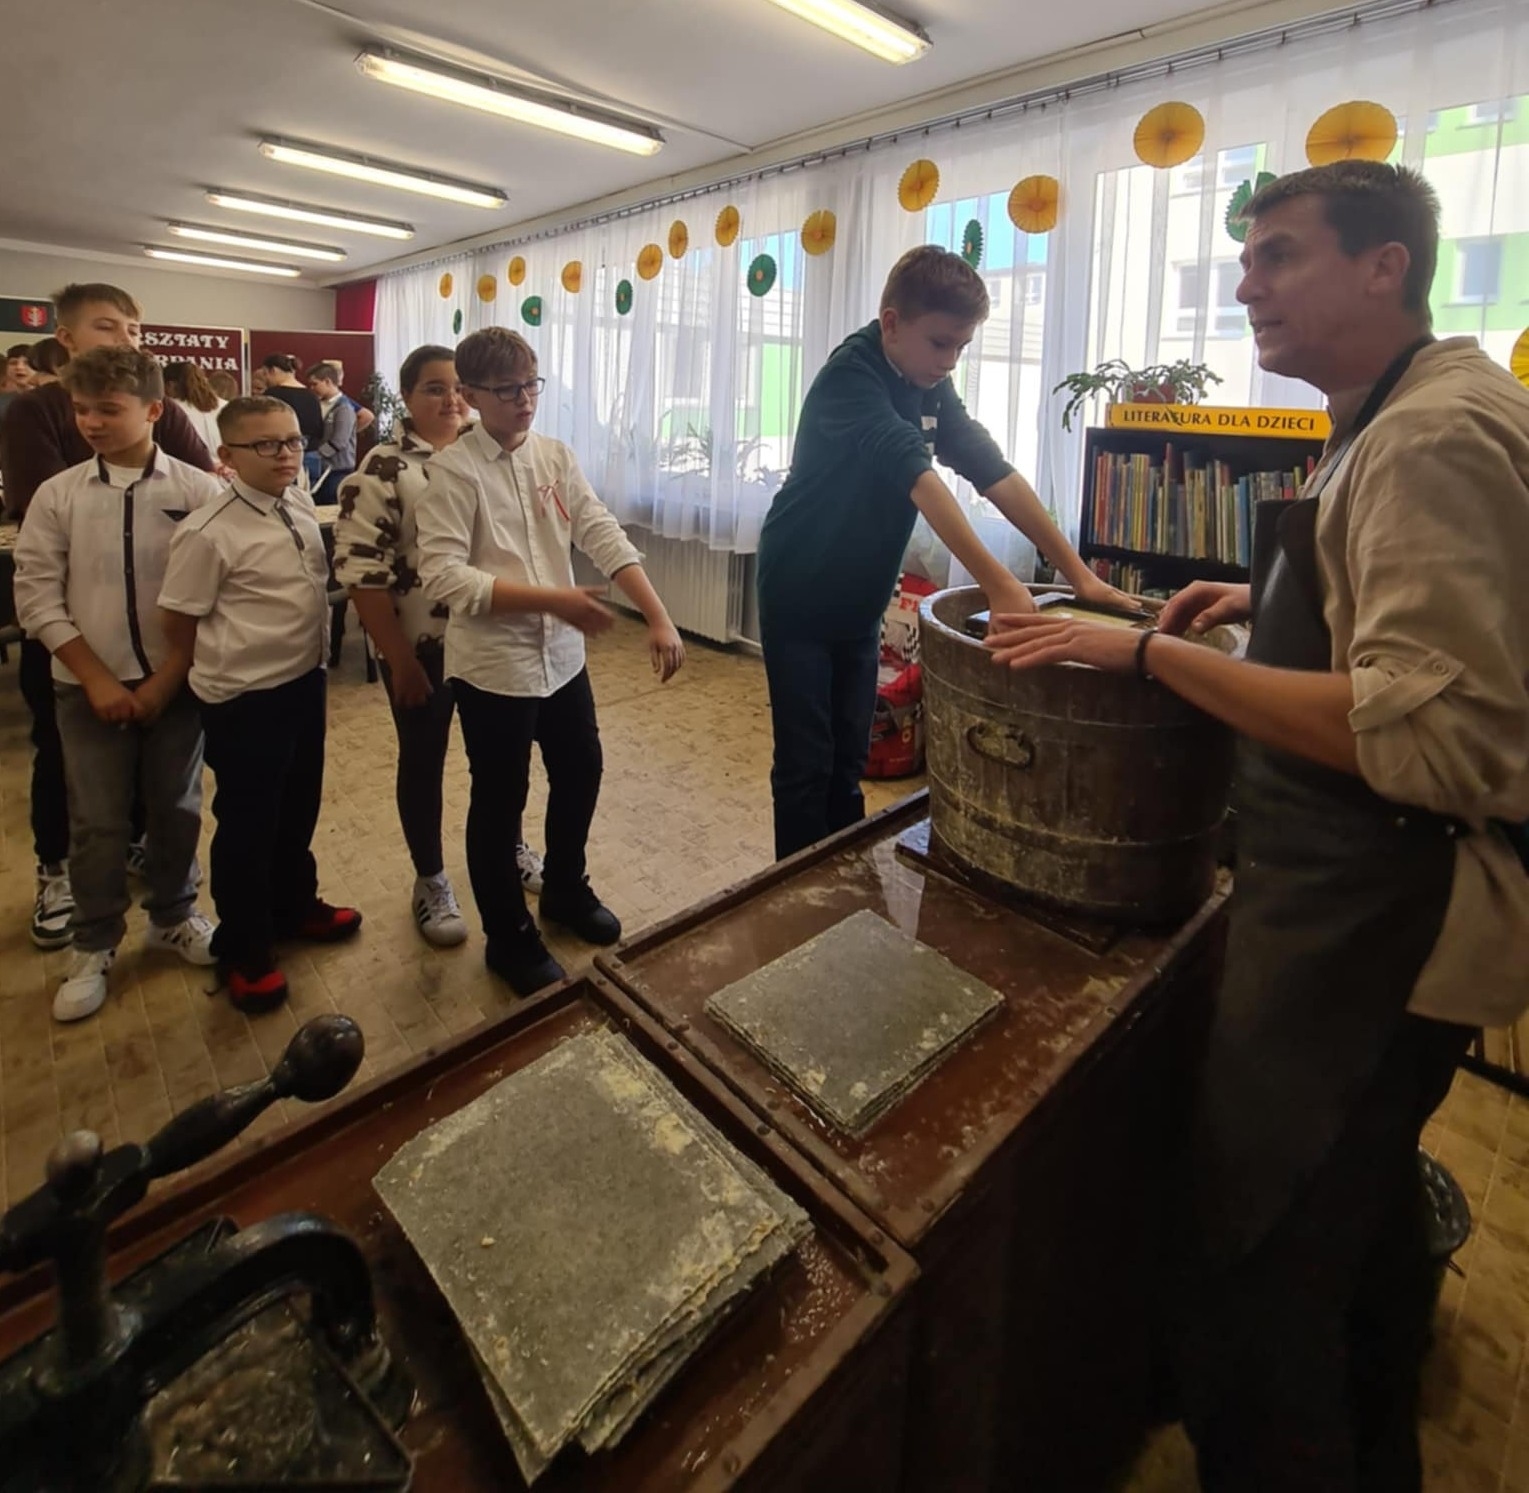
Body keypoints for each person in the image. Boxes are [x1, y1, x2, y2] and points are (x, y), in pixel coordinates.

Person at [984, 160, 1529, 1491]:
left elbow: (1431, 737)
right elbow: (1388, 605)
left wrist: (1148, 655)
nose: (1244, 284)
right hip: (1353, 907)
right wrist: (1259, 596)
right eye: (1243, 259)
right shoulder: (1401, 406)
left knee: (1259, 1279)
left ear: (1383, 265)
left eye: (1277, 253)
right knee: (1356, 1239)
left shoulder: (1429, 437)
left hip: (1380, 924)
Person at [755, 245, 1134, 861]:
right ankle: (794, 894)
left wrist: (1078, 575)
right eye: (940, 343)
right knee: (806, 763)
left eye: (962, 346)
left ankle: (844, 877)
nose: (950, 360)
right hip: (799, 589)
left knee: (850, 758)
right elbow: (919, 477)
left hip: (859, 600)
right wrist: (1000, 585)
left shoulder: (929, 383)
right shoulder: (851, 377)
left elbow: (991, 469)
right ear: (892, 324)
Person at [418, 327, 684, 996]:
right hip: (493, 667)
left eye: (532, 385)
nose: (525, 401)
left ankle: (565, 888)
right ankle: (509, 940)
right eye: (508, 390)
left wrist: (657, 615)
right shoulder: (453, 470)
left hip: (562, 660)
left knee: (581, 770)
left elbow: (600, 531)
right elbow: (444, 575)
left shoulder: (555, 456)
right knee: (499, 801)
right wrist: (552, 599)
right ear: (471, 394)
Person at [1, 282, 214, 951]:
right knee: (93, 816)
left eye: (108, 410)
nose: (90, 422)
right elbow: (37, 594)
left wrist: (168, 676)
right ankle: (93, 939)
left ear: (152, 409)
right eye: (81, 410)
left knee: (175, 807)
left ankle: (173, 914)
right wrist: (93, 676)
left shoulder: (196, 489)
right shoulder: (57, 492)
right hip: (83, 680)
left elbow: (212, 590)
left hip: (174, 678)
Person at [334, 344, 547, 946]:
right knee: (424, 760)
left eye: (458, 388)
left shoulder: (494, 450)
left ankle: (509, 847)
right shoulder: (383, 469)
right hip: (423, 648)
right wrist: (399, 660)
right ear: (407, 397)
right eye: (434, 388)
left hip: (491, 640)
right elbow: (362, 574)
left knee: (502, 760)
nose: (451, 399)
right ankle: (430, 879)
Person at [158, 397, 363, 1013]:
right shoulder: (207, 531)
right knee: (249, 825)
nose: (285, 455)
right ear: (227, 455)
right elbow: (179, 622)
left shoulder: (296, 503)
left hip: (303, 681)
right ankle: (245, 948)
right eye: (267, 445)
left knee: (297, 807)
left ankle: (294, 906)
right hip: (245, 697)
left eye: (293, 441)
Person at [256, 354, 325, 488]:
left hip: (283, 457)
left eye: (265, 374)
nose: (265, 379)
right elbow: (319, 430)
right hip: (312, 456)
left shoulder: (272, 395)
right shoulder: (312, 396)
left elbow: (263, 427)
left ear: (273, 370)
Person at [306, 361, 356, 503]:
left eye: (315, 384)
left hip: (337, 471)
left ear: (327, 381)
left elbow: (340, 441)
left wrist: (317, 455)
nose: (312, 388)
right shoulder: (320, 404)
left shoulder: (344, 408)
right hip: (322, 469)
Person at [162, 360, 226, 459]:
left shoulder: (171, 409)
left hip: (189, 465)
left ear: (170, 385)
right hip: (226, 465)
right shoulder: (225, 406)